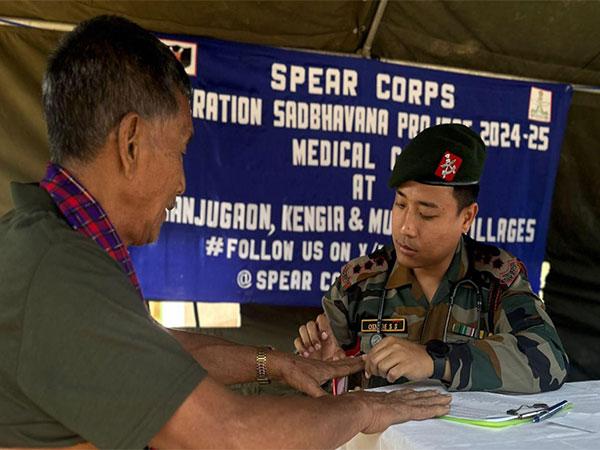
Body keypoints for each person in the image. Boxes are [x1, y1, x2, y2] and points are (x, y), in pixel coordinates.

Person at [0, 15, 451, 449]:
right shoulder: (58, 271)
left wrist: (274, 363)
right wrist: (363, 410)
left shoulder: (45, 239)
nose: (181, 183)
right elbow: (233, 436)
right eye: (179, 150)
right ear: (131, 142)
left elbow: (149, 351)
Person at [295, 124, 569, 394]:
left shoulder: (494, 280)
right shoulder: (360, 283)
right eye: (400, 205)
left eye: (426, 214)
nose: (406, 228)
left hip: (464, 438)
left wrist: (437, 360)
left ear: (467, 217)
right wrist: (320, 370)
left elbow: (549, 361)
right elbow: (321, 382)